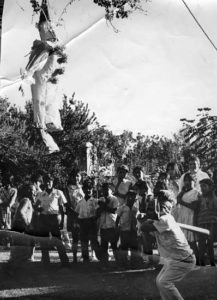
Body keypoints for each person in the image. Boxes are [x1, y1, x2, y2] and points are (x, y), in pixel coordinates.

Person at [141, 190, 196, 300]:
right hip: (173, 259)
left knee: (164, 283)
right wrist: (149, 219)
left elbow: (144, 227)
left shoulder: (166, 219)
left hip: (183, 259)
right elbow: (147, 231)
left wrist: (147, 220)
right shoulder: (158, 221)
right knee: (160, 281)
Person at [35, 173, 69, 267]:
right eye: (46, 181)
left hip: (54, 218)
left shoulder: (58, 192)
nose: (47, 183)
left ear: (53, 182)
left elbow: (62, 208)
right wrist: (38, 209)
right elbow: (35, 206)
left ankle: (65, 262)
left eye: (49, 181)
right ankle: (46, 262)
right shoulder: (41, 194)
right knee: (43, 241)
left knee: (58, 240)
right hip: (43, 218)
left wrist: (62, 222)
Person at [75, 178, 101, 262]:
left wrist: (94, 219)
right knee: (83, 241)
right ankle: (85, 258)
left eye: (90, 188)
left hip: (92, 223)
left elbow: (98, 212)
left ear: (92, 189)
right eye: (86, 189)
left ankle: (99, 258)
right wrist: (77, 222)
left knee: (94, 241)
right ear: (83, 190)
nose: (88, 190)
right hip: (83, 223)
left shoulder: (95, 201)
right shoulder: (80, 202)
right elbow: (76, 213)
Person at [176, 173, 200, 264]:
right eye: (185, 180)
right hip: (182, 217)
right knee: (184, 240)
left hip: (190, 217)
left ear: (194, 182)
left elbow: (195, 207)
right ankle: (187, 259)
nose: (187, 182)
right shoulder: (183, 192)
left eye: (189, 180)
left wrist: (182, 202)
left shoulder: (196, 192)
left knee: (192, 240)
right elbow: (177, 199)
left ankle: (198, 259)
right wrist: (182, 191)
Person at [116, 190, 140, 268]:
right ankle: (124, 263)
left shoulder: (135, 208)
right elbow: (118, 218)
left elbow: (138, 217)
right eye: (129, 197)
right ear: (126, 198)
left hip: (133, 230)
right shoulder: (122, 207)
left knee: (133, 247)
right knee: (124, 246)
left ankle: (134, 263)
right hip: (124, 229)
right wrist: (116, 227)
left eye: (133, 197)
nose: (131, 199)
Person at [64, 169, 84, 262]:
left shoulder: (83, 187)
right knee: (75, 237)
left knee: (84, 237)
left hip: (84, 214)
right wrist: (74, 213)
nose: (76, 178)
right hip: (73, 215)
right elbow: (66, 203)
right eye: (74, 176)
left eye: (78, 175)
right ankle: (75, 257)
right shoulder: (67, 188)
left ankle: (85, 256)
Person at [97, 182, 119, 266]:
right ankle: (105, 264)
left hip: (112, 225)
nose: (105, 191)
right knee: (104, 246)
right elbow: (98, 212)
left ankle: (118, 263)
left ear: (111, 190)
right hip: (103, 225)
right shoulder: (101, 199)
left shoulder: (114, 199)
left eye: (107, 189)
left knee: (114, 245)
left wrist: (104, 206)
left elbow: (114, 210)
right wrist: (103, 206)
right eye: (104, 189)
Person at [197, 178, 217, 266]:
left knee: (210, 242)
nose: (202, 188)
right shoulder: (200, 197)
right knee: (201, 242)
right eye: (201, 186)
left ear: (210, 187)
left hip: (211, 222)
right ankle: (201, 261)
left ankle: (212, 262)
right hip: (201, 221)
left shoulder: (214, 197)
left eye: (204, 186)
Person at [0, 175, 17, 248]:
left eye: (7, 181)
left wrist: (6, 205)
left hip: (9, 210)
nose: (5, 183)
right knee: (1, 225)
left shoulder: (14, 190)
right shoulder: (1, 189)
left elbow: (12, 201)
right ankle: (2, 243)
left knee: (8, 225)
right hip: (1, 209)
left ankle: (8, 243)